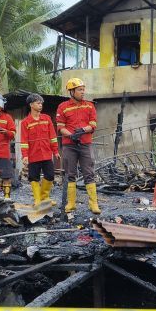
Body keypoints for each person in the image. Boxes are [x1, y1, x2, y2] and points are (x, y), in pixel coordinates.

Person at [56, 78, 101, 214]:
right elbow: (60, 126)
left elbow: (93, 123)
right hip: (69, 145)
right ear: (72, 91)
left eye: (83, 89)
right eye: (80, 90)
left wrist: (83, 130)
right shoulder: (63, 107)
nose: (83, 92)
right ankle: (71, 204)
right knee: (70, 174)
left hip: (85, 144)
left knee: (89, 173)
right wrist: (70, 135)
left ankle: (93, 204)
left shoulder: (89, 105)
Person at [20, 93, 60, 207]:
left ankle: (45, 197)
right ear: (31, 105)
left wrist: (56, 151)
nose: (41, 105)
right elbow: (24, 141)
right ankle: (37, 200)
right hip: (33, 155)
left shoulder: (47, 119)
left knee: (50, 175)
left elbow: (53, 136)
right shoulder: (25, 122)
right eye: (38, 103)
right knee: (33, 177)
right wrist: (25, 156)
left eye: (41, 103)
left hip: (47, 154)